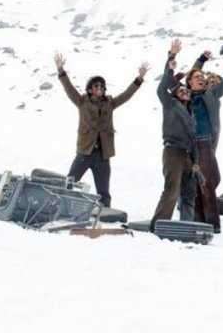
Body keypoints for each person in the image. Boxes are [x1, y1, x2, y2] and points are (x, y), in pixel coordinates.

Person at [53, 53, 148, 207]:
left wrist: (139, 78)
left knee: (103, 192)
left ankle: (105, 215)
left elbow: (126, 95)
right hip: (85, 152)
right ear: (90, 89)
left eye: (102, 86)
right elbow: (69, 88)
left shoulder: (110, 103)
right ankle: (58, 208)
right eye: (96, 86)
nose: (100, 88)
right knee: (69, 183)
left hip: (103, 155)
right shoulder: (82, 101)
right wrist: (60, 70)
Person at [180, 42, 223, 233]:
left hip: (204, 144)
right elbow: (191, 74)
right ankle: (198, 220)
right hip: (189, 146)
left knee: (207, 183)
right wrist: (201, 60)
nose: (201, 79)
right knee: (194, 185)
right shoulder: (185, 95)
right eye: (197, 77)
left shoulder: (211, 95)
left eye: (203, 77)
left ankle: (213, 225)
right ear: (190, 82)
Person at [151, 40, 202, 227]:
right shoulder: (170, 104)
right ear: (174, 94)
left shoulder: (191, 114)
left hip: (188, 155)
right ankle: (159, 224)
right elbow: (162, 87)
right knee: (171, 191)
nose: (185, 91)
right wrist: (171, 58)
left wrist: (196, 161)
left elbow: (193, 139)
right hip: (173, 152)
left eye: (186, 90)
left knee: (189, 193)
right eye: (181, 90)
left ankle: (186, 226)